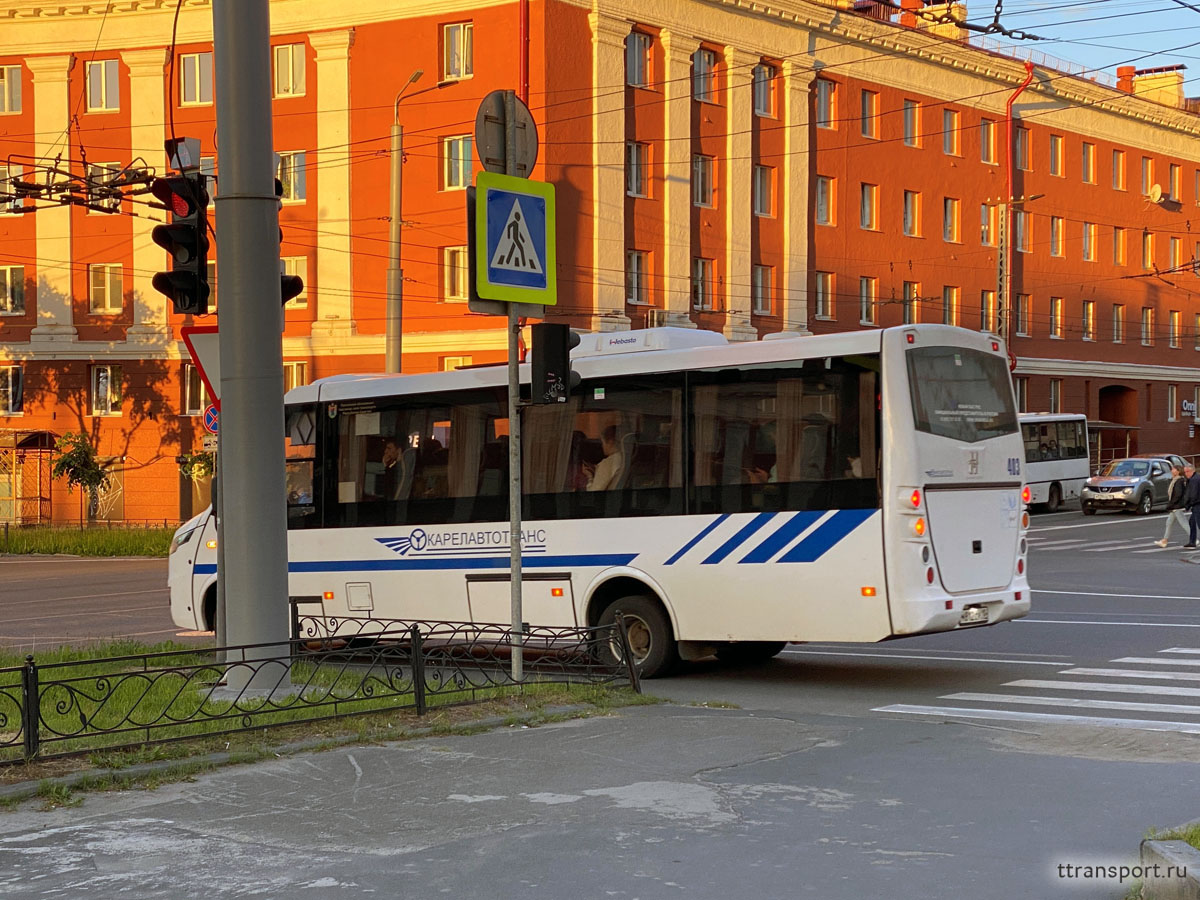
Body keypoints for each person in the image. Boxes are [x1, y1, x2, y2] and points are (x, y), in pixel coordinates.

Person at [1155, 464, 1188, 547]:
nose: (1171, 471)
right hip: (1175, 505)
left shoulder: (1178, 481)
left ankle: (1194, 539)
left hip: (1177, 506)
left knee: (1184, 523)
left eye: (1173, 469)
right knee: (1169, 523)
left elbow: (1178, 494)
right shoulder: (1176, 480)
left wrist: (1171, 504)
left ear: (1178, 471)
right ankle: (1164, 540)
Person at [583, 425, 624, 492]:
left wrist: (590, 478)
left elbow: (594, 492)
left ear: (610, 442)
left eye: (603, 442)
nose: (602, 446)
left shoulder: (608, 463)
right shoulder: (623, 458)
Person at [1184, 463, 1200, 549]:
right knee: (1192, 522)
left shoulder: (1194, 480)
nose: (1186, 474)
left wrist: (1188, 504)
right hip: (1196, 504)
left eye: (1187, 471)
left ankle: (1192, 541)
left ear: (1192, 471)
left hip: (1197, 504)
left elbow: (1193, 494)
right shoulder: (1196, 477)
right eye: (1185, 472)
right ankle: (1192, 541)